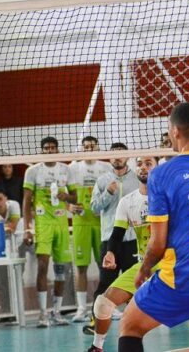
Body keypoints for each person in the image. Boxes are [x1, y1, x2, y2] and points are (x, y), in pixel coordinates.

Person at [118, 103, 189, 351]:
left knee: (130, 326)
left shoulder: (161, 174)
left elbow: (158, 243)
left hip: (185, 277)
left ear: (175, 131)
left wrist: (144, 268)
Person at [87, 156, 157, 351]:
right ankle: (97, 347)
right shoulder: (128, 202)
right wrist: (110, 253)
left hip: (171, 265)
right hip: (144, 266)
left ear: (158, 166)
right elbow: (117, 234)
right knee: (102, 303)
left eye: (149, 163)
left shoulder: (168, 196)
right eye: (140, 163)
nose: (143, 167)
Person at [85, 142, 139, 333]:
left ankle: (136, 321)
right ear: (110, 158)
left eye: (121, 154)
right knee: (105, 283)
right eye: (114, 155)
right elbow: (93, 208)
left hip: (133, 240)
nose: (117, 158)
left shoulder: (137, 179)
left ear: (128, 157)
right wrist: (108, 193)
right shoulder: (102, 181)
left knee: (136, 283)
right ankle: (95, 322)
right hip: (110, 241)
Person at [23, 136, 73, 327]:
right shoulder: (33, 171)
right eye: (46, 148)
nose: (50, 150)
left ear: (57, 150)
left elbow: (75, 197)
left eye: (53, 148)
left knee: (61, 271)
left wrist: (65, 195)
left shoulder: (65, 170)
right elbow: (26, 202)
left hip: (61, 224)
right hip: (42, 225)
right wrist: (28, 228)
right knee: (43, 266)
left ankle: (56, 312)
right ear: (42, 150)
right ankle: (43, 314)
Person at [68, 136, 112, 322]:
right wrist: (69, 207)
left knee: (106, 267)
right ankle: (81, 308)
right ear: (82, 148)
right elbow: (66, 195)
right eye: (85, 147)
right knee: (81, 267)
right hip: (80, 223)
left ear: (98, 147)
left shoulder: (106, 168)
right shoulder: (73, 168)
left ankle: (108, 306)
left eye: (92, 146)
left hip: (101, 223)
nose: (89, 149)